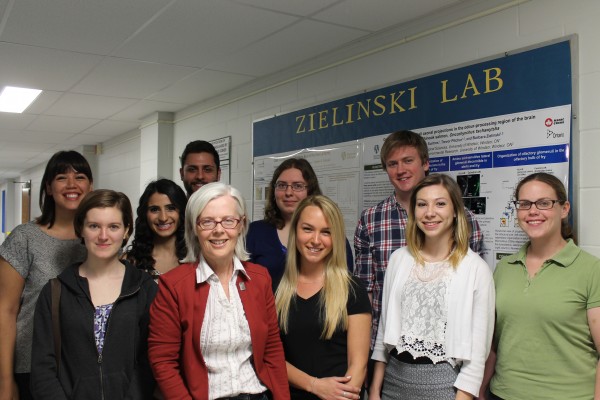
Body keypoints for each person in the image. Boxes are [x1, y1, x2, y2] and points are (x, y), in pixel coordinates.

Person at [148, 182, 290, 400]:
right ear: (194, 228)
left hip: (258, 394)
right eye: (207, 222)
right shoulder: (174, 286)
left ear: (241, 224)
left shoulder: (259, 279)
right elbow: (162, 361)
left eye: (228, 220)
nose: (219, 230)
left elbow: (272, 348)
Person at [354, 130, 484, 353]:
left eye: (408, 161)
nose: (401, 170)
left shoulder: (464, 221)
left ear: (425, 163)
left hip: (447, 348)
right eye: (392, 164)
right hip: (387, 349)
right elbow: (364, 294)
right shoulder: (371, 220)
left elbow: (475, 295)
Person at [369, 174, 494, 400]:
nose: (429, 212)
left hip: (445, 388)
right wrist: (375, 389)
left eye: (440, 204)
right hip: (392, 382)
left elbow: (477, 356)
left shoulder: (475, 269)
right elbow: (384, 331)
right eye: (422, 204)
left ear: (456, 211)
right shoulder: (399, 259)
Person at [480, 173, 600, 400]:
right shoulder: (505, 268)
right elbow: (496, 342)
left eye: (544, 203)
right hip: (502, 393)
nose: (532, 211)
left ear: (564, 209)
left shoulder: (592, 270)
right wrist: (480, 388)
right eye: (524, 204)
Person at [30, 189, 158, 399]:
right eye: (94, 226)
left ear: (127, 230)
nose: (103, 236)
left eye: (113, 226)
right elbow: (43, 367)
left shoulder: (144, 288)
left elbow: (150, 360)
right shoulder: (55, 292)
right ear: (80, 228)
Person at [0, 150, 93, 400]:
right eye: (62, 177)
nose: (72, 185)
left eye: (80, 177)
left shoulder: (99, 240)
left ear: (90, 186)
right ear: (49, 188)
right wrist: (5, 380)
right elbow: (5, 311)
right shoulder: (25, 237)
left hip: (84, 367)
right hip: (30, 365)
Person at [276, 195, 371, 400]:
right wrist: (314, 385)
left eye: (326, 232)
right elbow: (271, 357)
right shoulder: (275, 288)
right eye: (308, 229)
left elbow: (358, 364)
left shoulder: (352, 290)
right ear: (295, 232)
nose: (316, 240)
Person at [247, 158, 353, 291]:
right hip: (263, 310)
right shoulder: (255, 232)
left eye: (297, 186)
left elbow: (345, 285)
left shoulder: (332, 236)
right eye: (281, 185)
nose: (288, 192)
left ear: (311, 191)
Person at [126, 179, 187, 280]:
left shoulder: (198, 257)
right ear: (145, 214)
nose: (163, 218)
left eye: (171, 208)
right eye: (154, 209)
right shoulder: (131, 262)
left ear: (181, 211)